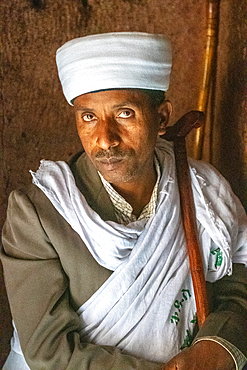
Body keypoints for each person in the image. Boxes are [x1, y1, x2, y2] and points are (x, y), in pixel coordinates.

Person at [1, 32, 247, 370]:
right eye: (89, 117)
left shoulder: (202, 189)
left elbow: (240, 277)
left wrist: (219, 345)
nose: (105, 139)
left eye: (124, 114)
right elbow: (50, 351)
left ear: (162, 118)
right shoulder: (38, 212)